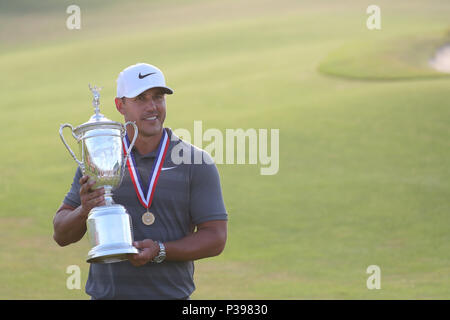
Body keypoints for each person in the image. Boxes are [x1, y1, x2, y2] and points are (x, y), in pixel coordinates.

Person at [53, 63, 228, 299]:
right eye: (141, 98)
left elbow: (215, 238)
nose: (152, 107)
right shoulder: (100, 159)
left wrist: (161, 250)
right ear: (120, 105)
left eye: (158, 97)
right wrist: (84, 210)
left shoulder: (195, 162)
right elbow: (61, 235)